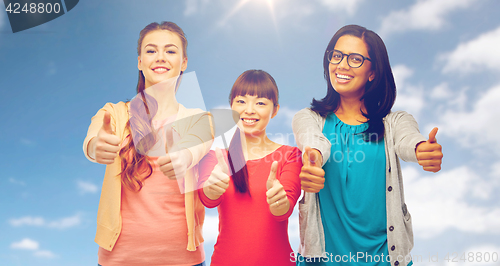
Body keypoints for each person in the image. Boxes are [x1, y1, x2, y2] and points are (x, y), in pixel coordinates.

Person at [292, 25, 443, 266]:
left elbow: (408, 140)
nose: (341, 65)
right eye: (337, 55)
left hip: (383, 259)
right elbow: (312, 140)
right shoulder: (310, 118)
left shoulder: (395, 122)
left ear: (372, 72)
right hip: (322, 260)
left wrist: (421, 150)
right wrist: (313, 157)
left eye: (355, 59)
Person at [83, 21, 213, 266]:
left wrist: (184, 157)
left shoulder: (198, 118)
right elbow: (93, 137)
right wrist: (95, 146)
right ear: (140, 62)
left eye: (171, 51)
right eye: (151, 51)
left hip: (184, 259)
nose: (160, 57)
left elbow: (198, 145)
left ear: (184, 63)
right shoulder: (115, 113)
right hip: (118, 259)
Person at [198, 70, 302, 265]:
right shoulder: (216, 157)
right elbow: (207, 200)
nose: (249, 110)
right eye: (241, 101)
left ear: (276, 109)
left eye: (260, 103)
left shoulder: (290, 155)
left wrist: (279, 202)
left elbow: (284, 209)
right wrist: (211, 189)